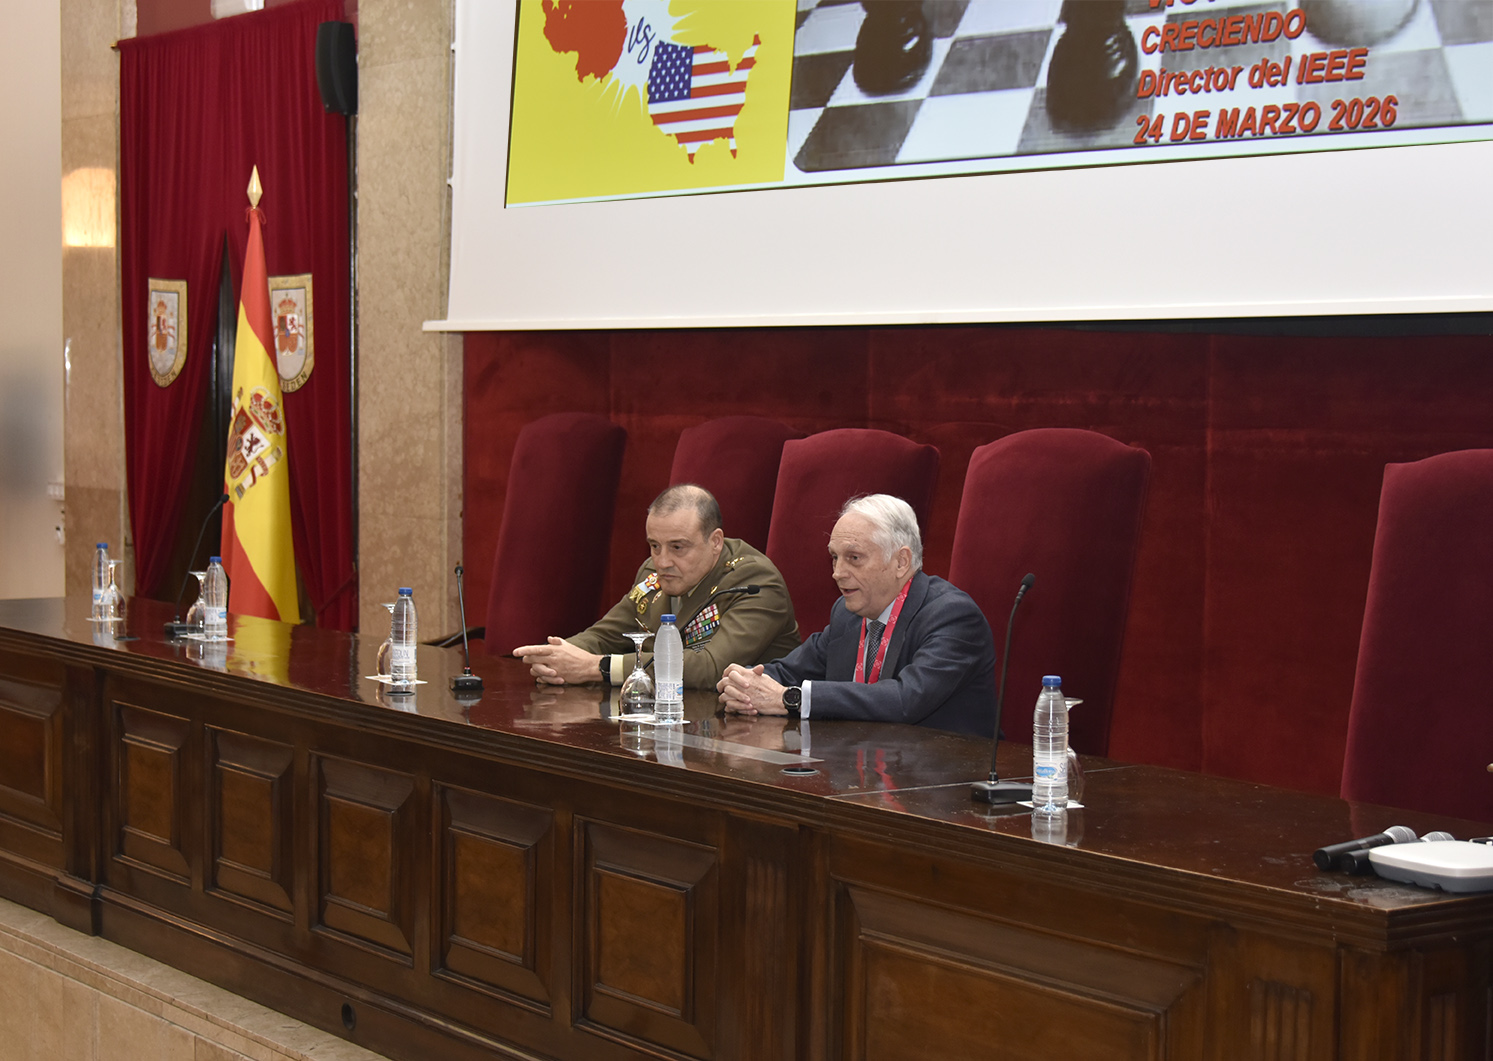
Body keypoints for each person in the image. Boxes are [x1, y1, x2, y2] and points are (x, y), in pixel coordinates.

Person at [717, 494, 996, 737]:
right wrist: (742, 683)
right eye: (835, 557)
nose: (837, 573)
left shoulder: (952, 616)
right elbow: (787, 671)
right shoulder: (847, 612)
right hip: (861, 770)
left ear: (901, 562)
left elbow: (905, 699)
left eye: (854, 558)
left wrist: (793, 699)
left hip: (944, 783)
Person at [514, 484, 801, 689]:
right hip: (667, 720)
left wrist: (596, 668)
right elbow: (603, 636)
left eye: (678, 547)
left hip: (749, 737)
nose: (662, 561)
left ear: (715, 542)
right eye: (654, 545)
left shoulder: (755, 583)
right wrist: (557, 658)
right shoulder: (654, 574)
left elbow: (711, 668)